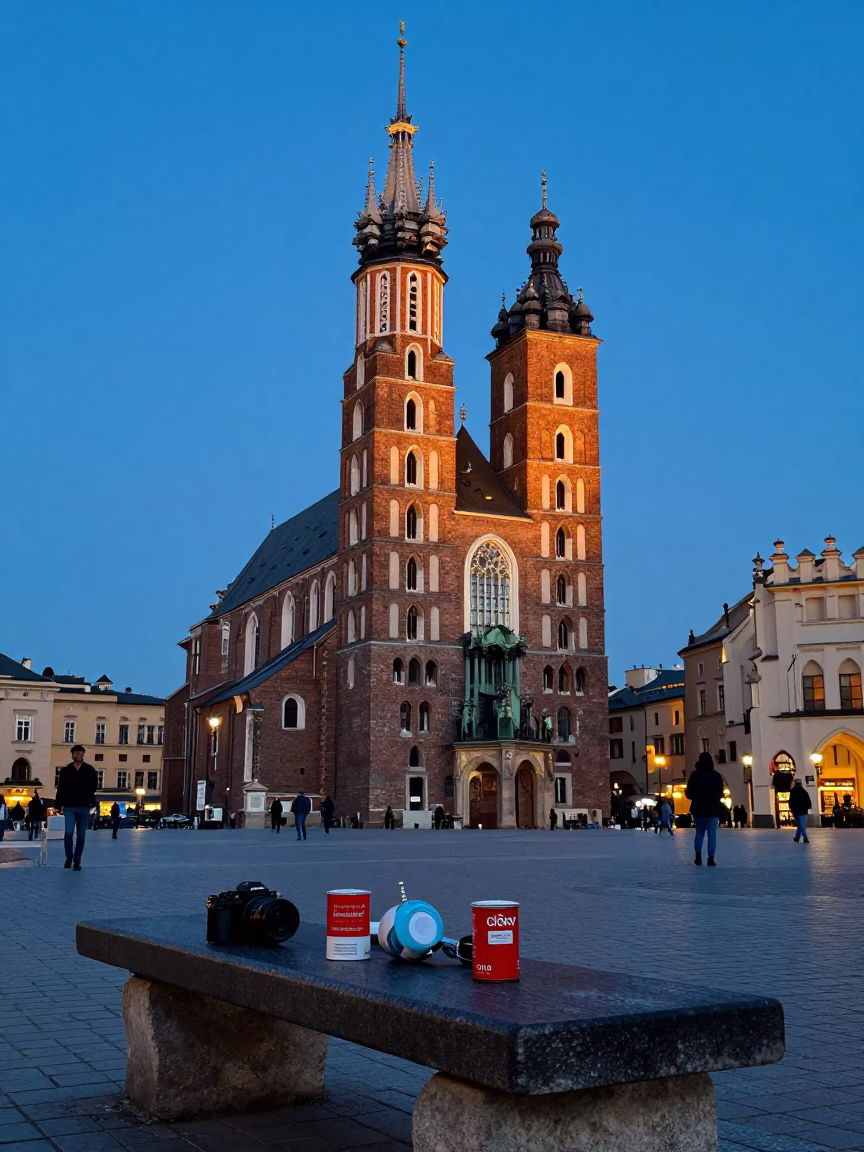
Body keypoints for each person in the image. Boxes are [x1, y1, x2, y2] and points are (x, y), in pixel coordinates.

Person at [55, 745, 99, 870]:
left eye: (82, 753)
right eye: (78, 753)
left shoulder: (89, 770)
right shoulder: (66, 770)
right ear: (73, 754)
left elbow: (94, 786)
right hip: (69, 806)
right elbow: (61, 788)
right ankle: (69, 857)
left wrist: (88, 798)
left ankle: (77, 860)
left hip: (83, 806)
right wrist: (58, 805)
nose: (80, 755)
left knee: (81, 835)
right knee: (68, 833)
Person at [685, 751, 724, 867]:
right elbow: (720, 793)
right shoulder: (716, 776)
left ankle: (698, 857)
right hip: (713, 809)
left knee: (699, 833)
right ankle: (711, 859)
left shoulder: (694, 775)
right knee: (712, 834)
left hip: (698, 809)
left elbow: (689, 793)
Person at [788, 779, 812, 844]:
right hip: (804, 811)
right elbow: (809, 802)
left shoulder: (793, 791)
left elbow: (790, 801)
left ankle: (805, 837)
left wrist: (791, 809)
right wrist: (809, 810)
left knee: (800, 825)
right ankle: (797, 837)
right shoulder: (804, 792)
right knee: (801, 825)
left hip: (796, 811)